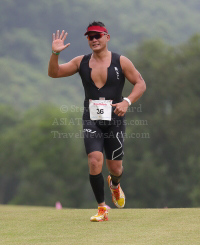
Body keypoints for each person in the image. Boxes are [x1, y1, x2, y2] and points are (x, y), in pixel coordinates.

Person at [48, 21, 146, 222]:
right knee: (94, 161)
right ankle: (102, 208)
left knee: (115, 169)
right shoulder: (80, 62)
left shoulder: (121, 61)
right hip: (91, 120)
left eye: (98, 36)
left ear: (107, 37)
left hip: (115, 121)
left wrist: (126, 102)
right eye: (90, 37)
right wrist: (55, 54)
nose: (94, 40)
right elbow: (54, 73)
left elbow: (140, 83)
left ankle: (115, 184)